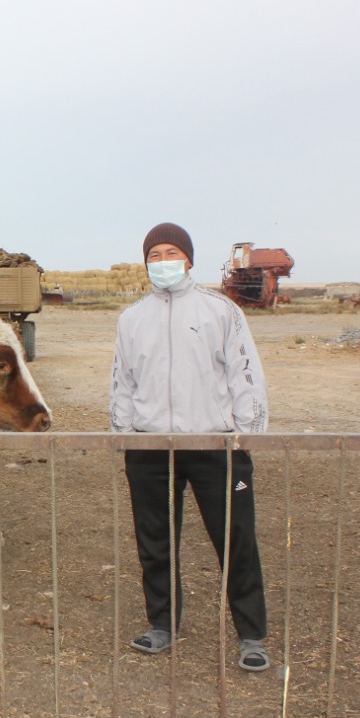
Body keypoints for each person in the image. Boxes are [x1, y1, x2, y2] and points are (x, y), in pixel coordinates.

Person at [109, 223, 270, 672]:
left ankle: (251, 635)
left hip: (215, 446)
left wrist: (244, 437)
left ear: (190, 259)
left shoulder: (221, 311)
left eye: (171, 252)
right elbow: (122, 382)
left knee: (234, 539)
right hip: (150, 448)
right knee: (156, 542)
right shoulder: (132, 319)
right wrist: (124, 432)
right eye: (154, 254)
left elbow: (245, 375)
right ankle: (162, 625)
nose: (162, 261)